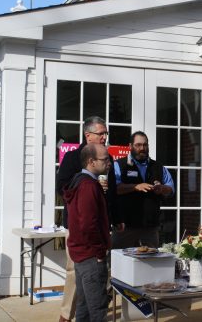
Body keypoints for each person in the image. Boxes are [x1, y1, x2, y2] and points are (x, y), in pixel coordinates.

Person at [56, 116, 123, 322]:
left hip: (100, 222)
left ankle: (84, 314)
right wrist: (88, 182)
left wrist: (116, 217)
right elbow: (62, 188)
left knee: (94, 282)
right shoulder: (73, 158)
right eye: (101, 133)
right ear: (88, 135)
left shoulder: (106, 157)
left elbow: (112, 193)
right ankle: (66, 315)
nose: (104, 137)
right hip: (79, 226)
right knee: (75, 275)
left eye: (106, 133)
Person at [63, 144, 111, 322]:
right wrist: (99, 252)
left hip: (82, 254)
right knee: (97, 310)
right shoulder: (87, 186)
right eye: (105, 159)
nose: (109, 163)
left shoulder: (79, 181)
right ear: (91, 162)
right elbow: (88, 224)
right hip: (91, 256)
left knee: (84, 307)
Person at [112, 131, 174, 249]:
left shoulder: (158, 167)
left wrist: (162, 188)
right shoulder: (119, 165)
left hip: (150, 227)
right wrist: (135, 187)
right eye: (138, 145)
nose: (142, 148)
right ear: (130, 146)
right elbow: (114, 189)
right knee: (119, 262)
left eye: (145, 145)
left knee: (150, 264)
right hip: (125, 226)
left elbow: (171, 189)